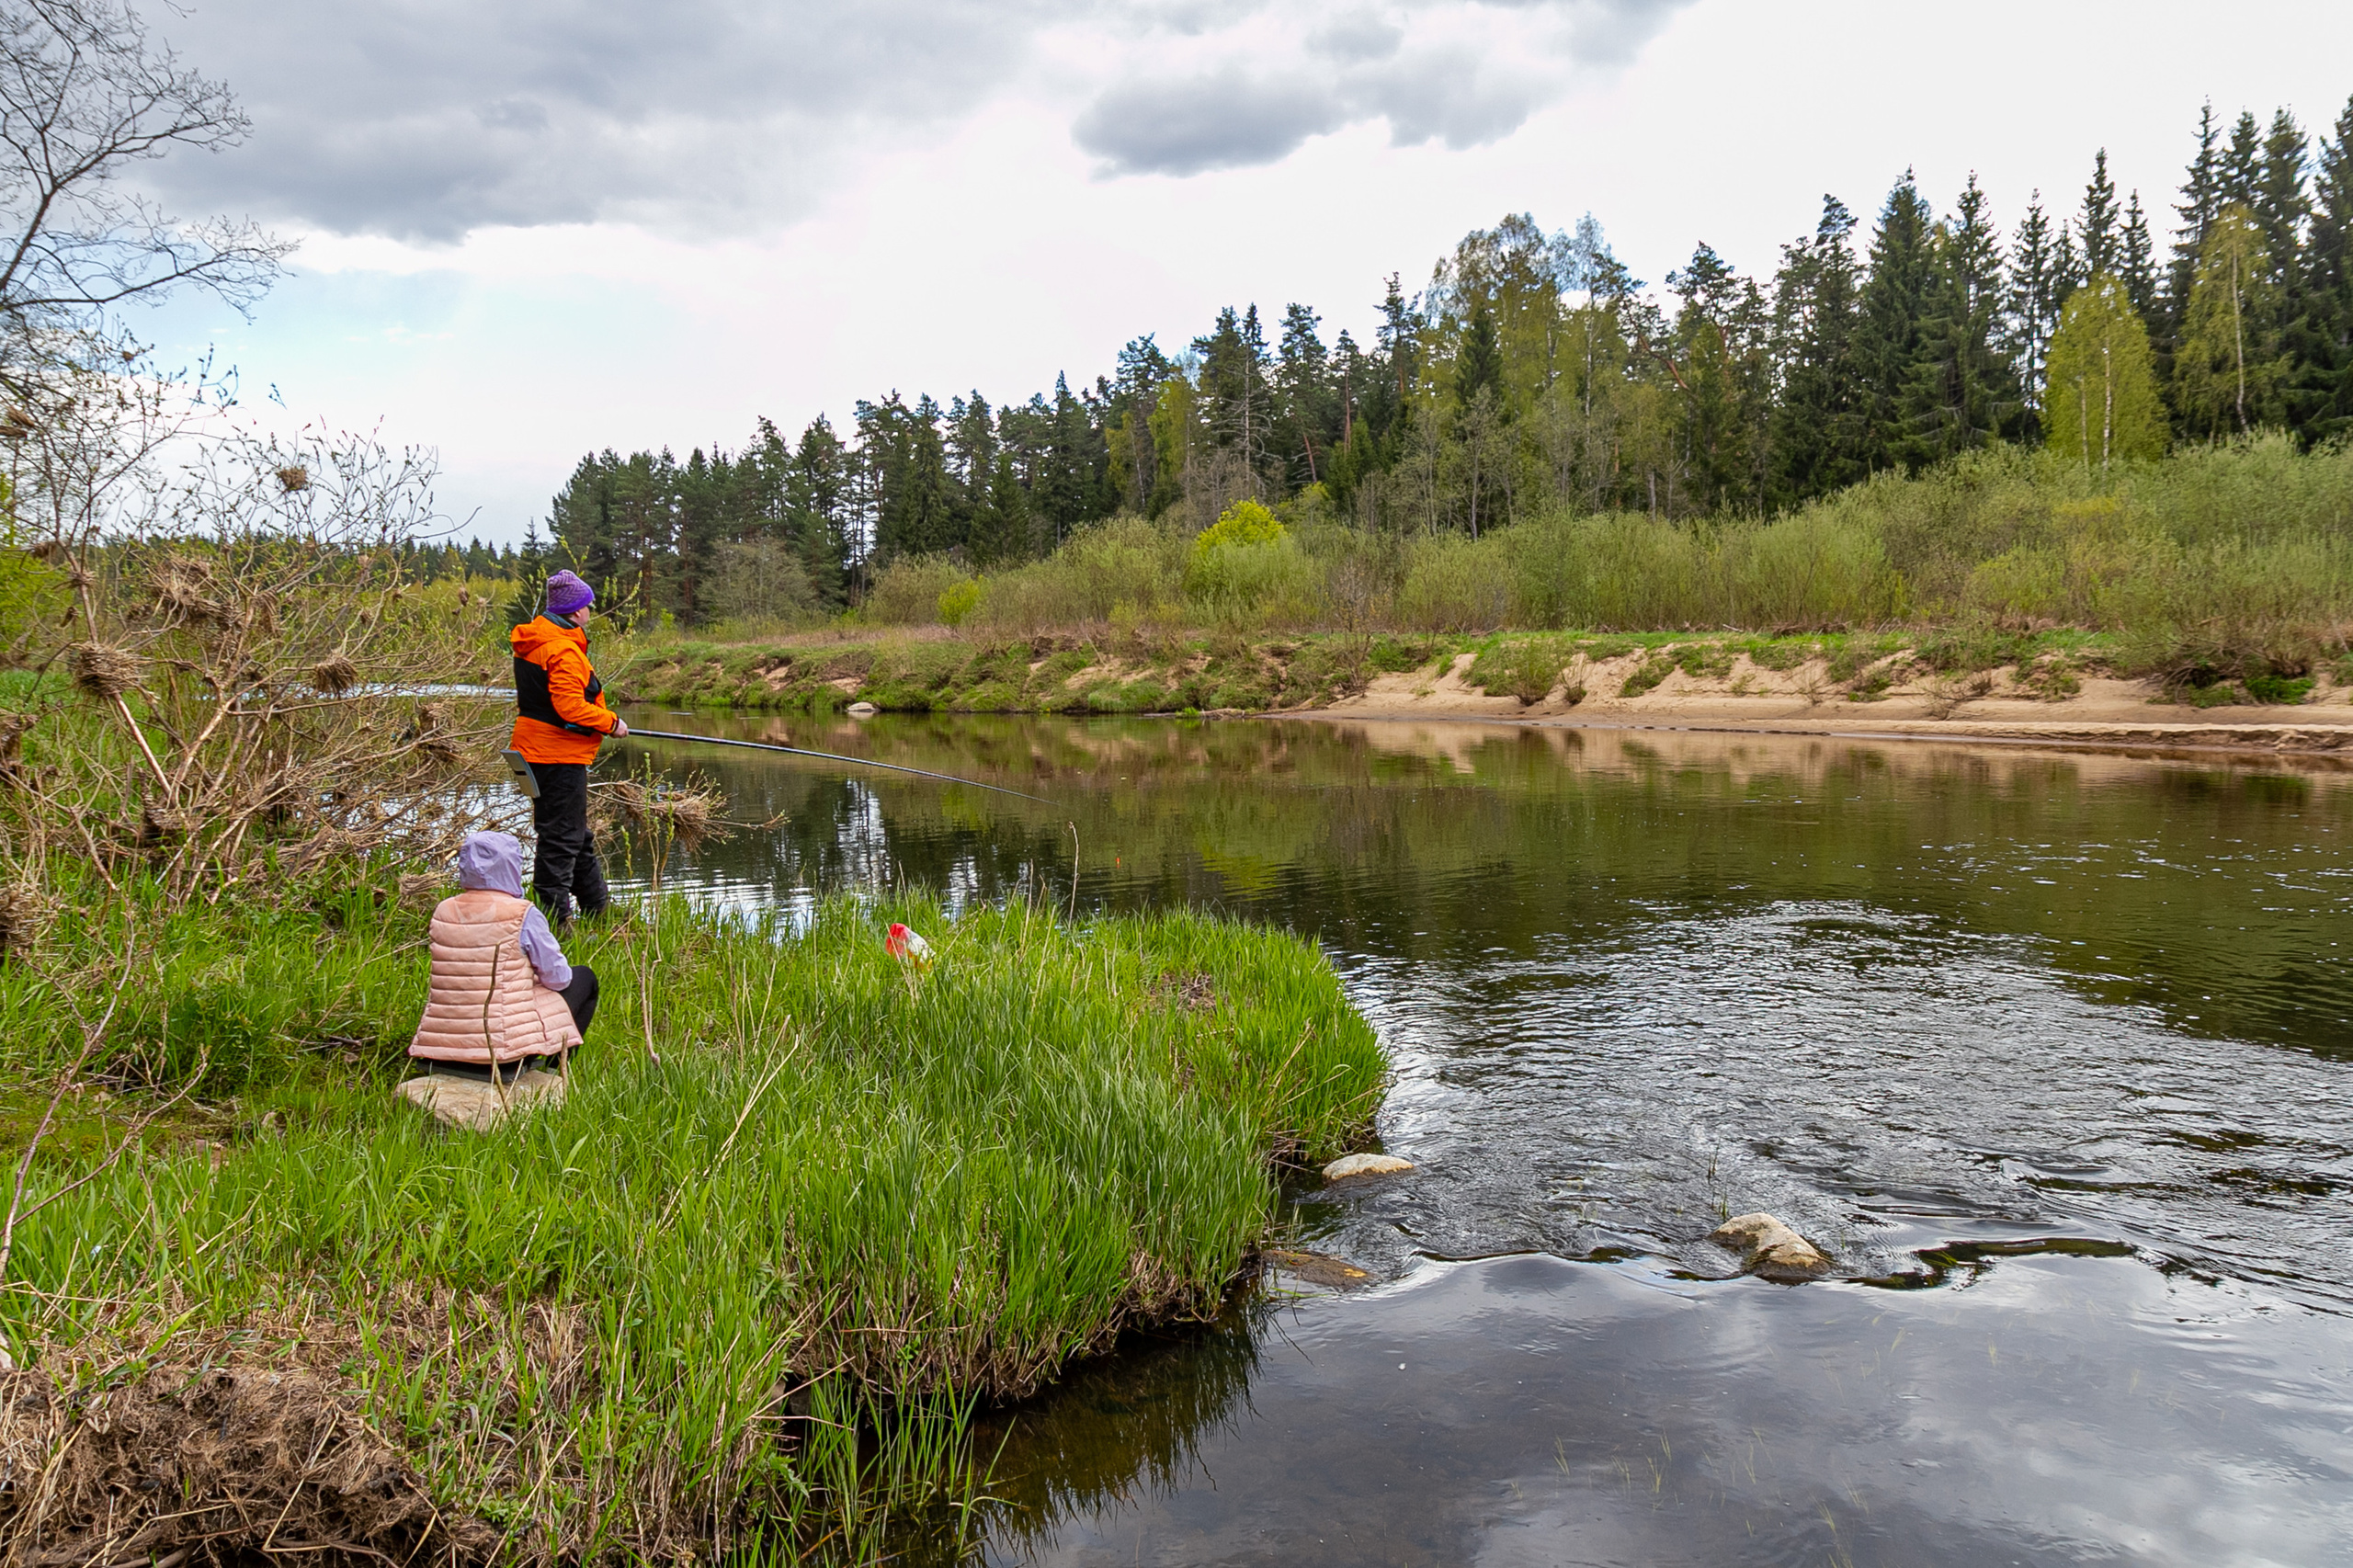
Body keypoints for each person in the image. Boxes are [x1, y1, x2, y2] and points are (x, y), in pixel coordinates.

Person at [411, 831, 598, 1081]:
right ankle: (555, 1073)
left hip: (439, 1048)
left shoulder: (443, 910)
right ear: (511, 865)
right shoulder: (522, 914)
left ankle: (454, 1053)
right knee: (584, 977)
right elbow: (559, 979)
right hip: (503, 1052)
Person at [510, 569, 627, 926]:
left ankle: (598, 910)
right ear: (576, 611)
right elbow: (569, 707)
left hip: (537, 750)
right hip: (556, 754)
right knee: (561, 839)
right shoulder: (561, 649)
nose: (591, 611)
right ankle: (554, 923)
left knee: (574, 835)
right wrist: (611, 723)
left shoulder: (541, 640)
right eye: (588, 605)